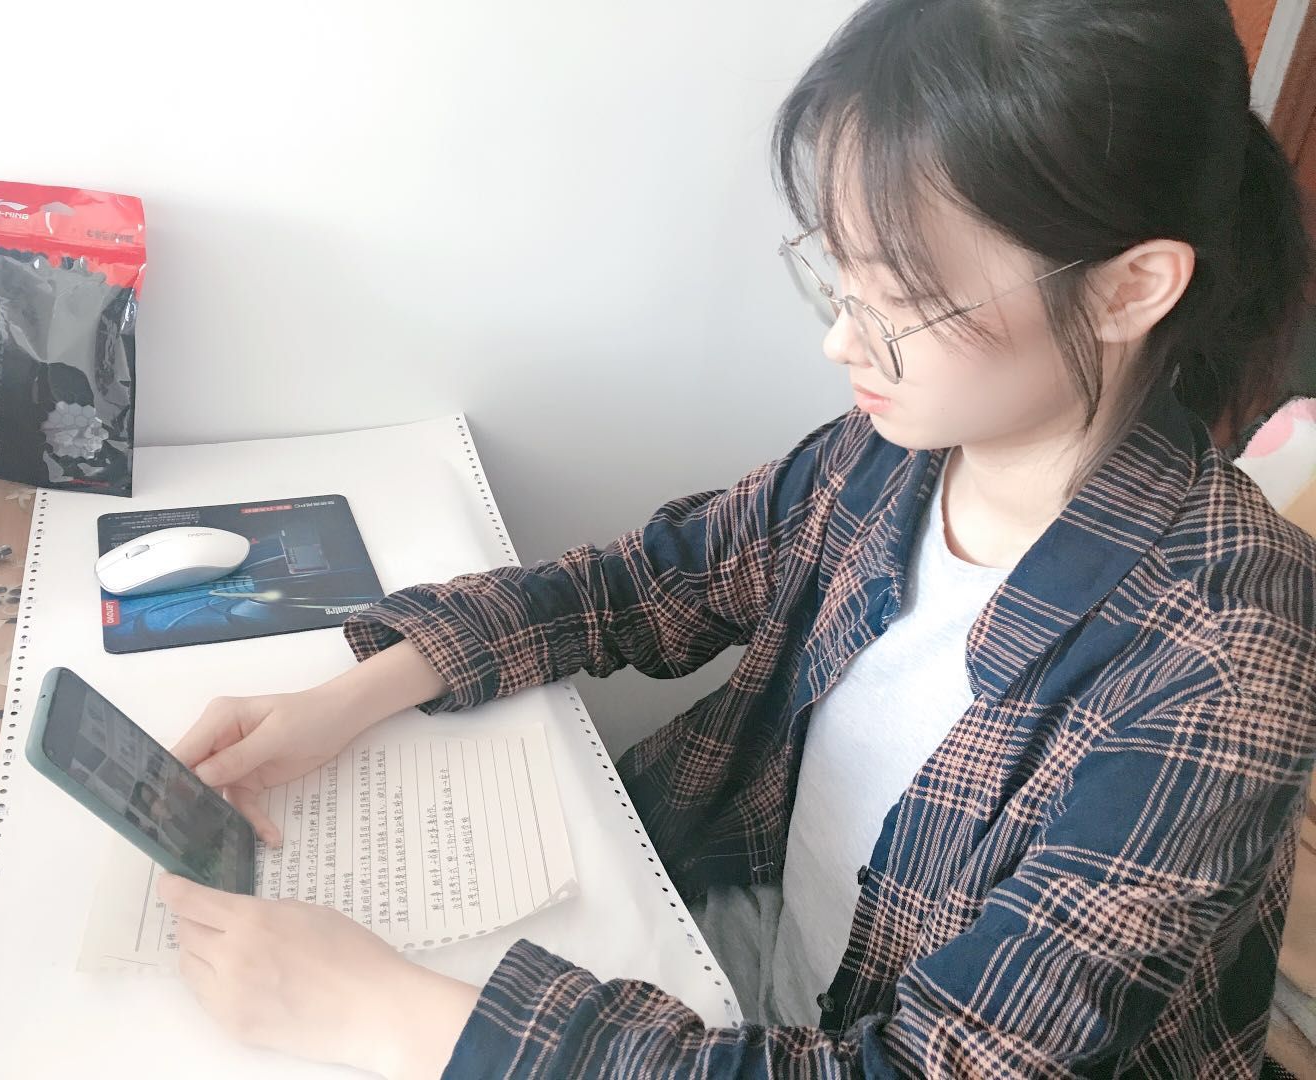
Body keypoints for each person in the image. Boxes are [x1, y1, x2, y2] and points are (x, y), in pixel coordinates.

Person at [153, 0, 1316, 1076]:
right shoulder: (894, 453)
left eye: (902, 300)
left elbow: (938, 1064)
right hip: (753, 963)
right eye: (838, 279)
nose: (841, 343)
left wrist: (385, 1012)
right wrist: (351, 697)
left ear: (1127, 291)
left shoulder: (1227, 660)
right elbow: (652, 585)